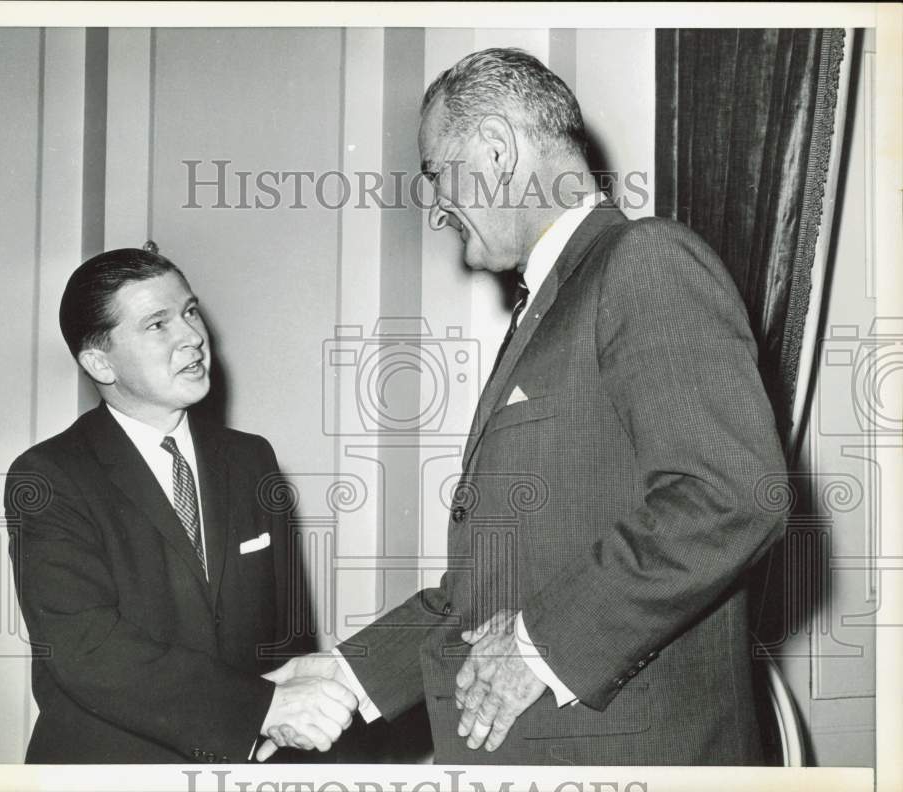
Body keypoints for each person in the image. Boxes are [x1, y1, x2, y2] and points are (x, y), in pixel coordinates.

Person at [260, 48, 788, 765]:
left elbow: (729, 496)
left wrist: (540, 648)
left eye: (435, 174)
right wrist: (346, 674)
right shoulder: (548, 307)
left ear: (498, 152)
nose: (437, 206)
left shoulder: (645, 261)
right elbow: (488, 593)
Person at [5, 248, 357, 763]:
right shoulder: (50, 476)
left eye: (190, 311)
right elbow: (89, 651)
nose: (191, 336)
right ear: (99, 362)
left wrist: (277, 725)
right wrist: (259, 708)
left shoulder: (252, 458)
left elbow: (286, 635)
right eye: (157, 324)